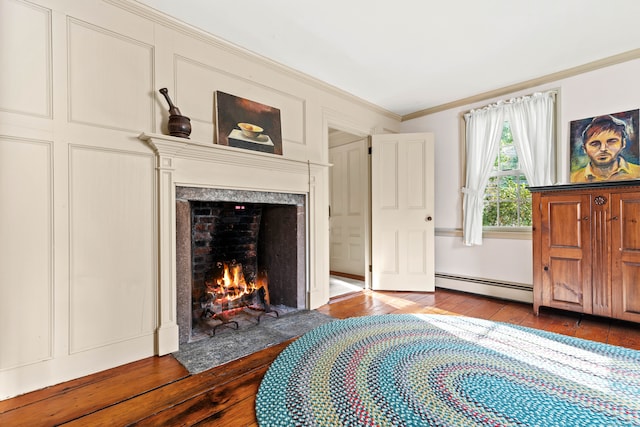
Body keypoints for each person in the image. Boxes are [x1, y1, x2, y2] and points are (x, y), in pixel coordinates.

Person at [571, 115, 640, 182]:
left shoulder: (637, 173)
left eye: (611, 142)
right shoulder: (574, 178)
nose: (603, 149)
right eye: (595, 144)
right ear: (584, 148)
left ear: (623, 143)